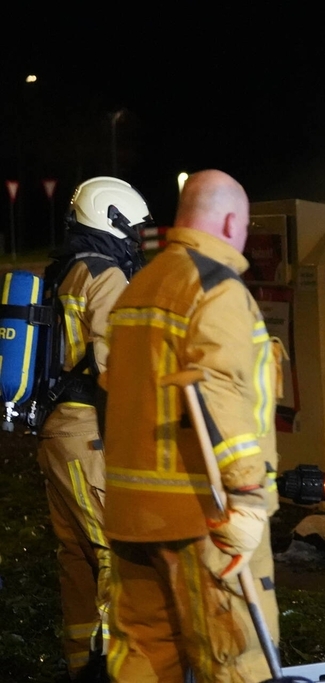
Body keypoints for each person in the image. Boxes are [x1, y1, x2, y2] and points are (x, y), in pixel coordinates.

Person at [102, 170, 281, 681]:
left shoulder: (140, 286)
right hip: (202, 515)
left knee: (144, 659)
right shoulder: (215, 287)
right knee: (235, 656)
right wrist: (247, 497)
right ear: (230, 221)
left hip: (132, 513)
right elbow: (218, 389)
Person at [36, 176, 152, 681]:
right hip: (90, 434)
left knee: (76, 556)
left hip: (59, 433)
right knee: (114, 552)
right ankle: (114, 670)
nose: (140, 239)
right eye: (136, 229)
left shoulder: (65, 270)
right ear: (114, 221)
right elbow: (117, 366)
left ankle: (81, 664)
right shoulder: (105, 276)